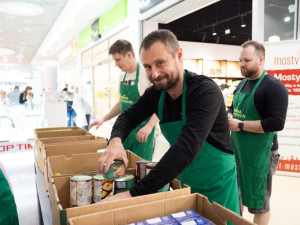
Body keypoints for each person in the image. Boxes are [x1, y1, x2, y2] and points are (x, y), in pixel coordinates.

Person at [97, 30, 240, 222]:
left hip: (218, 186)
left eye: (160, 63)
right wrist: (115, 141)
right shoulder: (157, 94)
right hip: (186, 186)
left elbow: (185, 149)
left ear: (178, 55)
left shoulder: (205, 92)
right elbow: (127, 117)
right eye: (147, 67)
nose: (154, 74)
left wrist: (133, 194)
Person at [227, 41, 288, 225]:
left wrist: (241, 125)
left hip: (261, 154)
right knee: (236, 195)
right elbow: (232, 108)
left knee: (259, 201)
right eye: (240, 60)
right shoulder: (241, 85)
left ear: (261, 60)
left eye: (247, 60)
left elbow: (277, 122)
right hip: (238, 150)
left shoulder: (274, 87)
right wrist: (228, 116)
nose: (242, 64)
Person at [89, 39, 159, 161]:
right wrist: (103, 118)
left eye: (118, 59)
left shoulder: (147, 74)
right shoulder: (123, 77)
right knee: (123, 167)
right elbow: (122, 102)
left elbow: (160, 103)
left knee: (141, 170)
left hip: (143, 134)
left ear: (128, 55)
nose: (116, 64)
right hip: (126, 132)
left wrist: (149, 126)